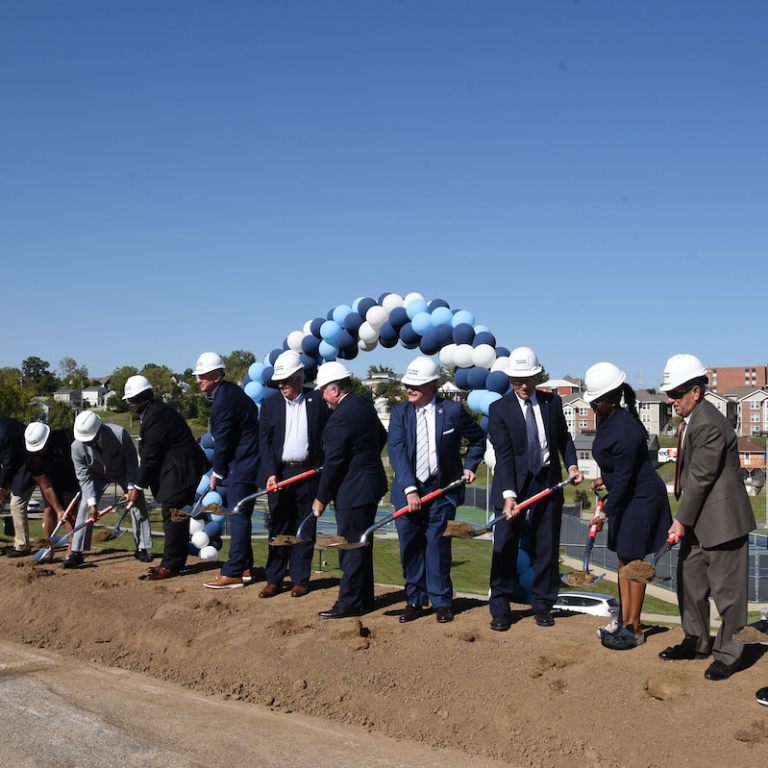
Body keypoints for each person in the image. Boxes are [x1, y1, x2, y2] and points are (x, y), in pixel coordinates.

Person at [657, 354, 756, 681]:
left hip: (723, 522)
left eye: (676, 393)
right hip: (699, 519)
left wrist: (680, 521)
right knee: (690, 582)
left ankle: (730, 654)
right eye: (668, 393)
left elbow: (700, 477)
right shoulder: (691, 420)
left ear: (696, 391)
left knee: (729, 597)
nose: (670, 400)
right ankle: (696, 641)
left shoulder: (710, 423)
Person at [487, 346, 583, 631]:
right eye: (517, 380)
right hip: (512, 485)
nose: (523, 385)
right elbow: (503, 456)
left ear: (537, 376)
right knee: (504, 545)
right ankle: (501, 608)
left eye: (528, 379)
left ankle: (543, 604)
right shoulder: (498, 410)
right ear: (510, 379)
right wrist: (508, 495)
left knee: (546, 546)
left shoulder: (552, 403)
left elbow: (564, 440)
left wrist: (573, 466)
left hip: (547, 480)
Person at [387, 355, 485, 624]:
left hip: (442, 491)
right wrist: (409, 489)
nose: (409, 389)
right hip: (408, 492)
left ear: (433, 385)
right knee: (410, 547)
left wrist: (470, 465)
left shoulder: (452, 411)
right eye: (407, 384)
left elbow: (478, 438)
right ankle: (415, 600)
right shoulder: (399, 413)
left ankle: (442, 601)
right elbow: (396, 452)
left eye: (416, 385)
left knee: (438, 546)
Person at [582, 362, 672, 649]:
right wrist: (603, 480)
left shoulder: (625, 430)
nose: (592, 407)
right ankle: (623, 620)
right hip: (627, 494)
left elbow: (625, 479)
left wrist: (603, 514)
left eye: (595, 403)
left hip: (642, 500)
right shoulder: (611, 420)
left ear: (610, 399)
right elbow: (618, 473)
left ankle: (634, 629)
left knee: (633, 565)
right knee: (624, 562)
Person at [311, 361, 387, 618]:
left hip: (353, 489)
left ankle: (349, 602)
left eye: (323, 390)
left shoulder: (340, 418)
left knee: (351, 546)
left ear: (335, 389)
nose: (322, 396)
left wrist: (321, 498)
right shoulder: (364, 405)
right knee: (362, 542)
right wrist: (364, 460)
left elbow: (333, 463)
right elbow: (382, 436)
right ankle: (364, 597)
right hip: (370, 484)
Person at [123, 375, 209, 581]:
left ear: (143, 398)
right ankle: (175, 561)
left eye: (132, 400)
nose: (130, 404)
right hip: (180, 468)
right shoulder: (153, 412)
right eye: (129, 400)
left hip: (182, 469)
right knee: (176, 513)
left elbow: (150, 456)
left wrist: (136, 487)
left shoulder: (155, 416)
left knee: (172, 512)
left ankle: (171, 564)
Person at [258, 350, 329, 598]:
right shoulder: (269, 405)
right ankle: (274, 579)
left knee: (305, 527)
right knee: (278, 527)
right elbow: (264, 444)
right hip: (280, 475)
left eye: (286, 380)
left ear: (299, 377)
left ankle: (300, 579)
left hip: (309, 473)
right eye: (279, 381)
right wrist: (269, 473)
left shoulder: (318, 401)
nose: (281, 385)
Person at [194, 353, 261, 590]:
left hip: (242, 465)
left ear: (216, 376)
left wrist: (218, 472)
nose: (199, 380)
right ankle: (244, 567)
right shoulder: (232, 391)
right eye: (199, 376)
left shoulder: (223, 399)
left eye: (203, 376)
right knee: (240, 516)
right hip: (247, 461)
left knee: (238, 516)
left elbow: (222, 441)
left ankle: (233, 571)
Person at [71, 410, 153, 565]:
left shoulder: (119, 434)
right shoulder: (76, 447)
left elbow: (131, 461)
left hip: (122, 471)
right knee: (84, 505)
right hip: (96, 475)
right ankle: (77, 552)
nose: (88, 443)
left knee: (137, 501)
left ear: (99, 429)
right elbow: (84, 477)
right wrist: (92, 503)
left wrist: (131, 487)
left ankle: (142, 548)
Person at [24, 422, 81, 567]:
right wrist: (58, 510)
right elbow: (47, 487)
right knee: (49, 509)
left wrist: (64, 510)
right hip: (51, 481)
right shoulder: (33, 460)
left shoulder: (66, 438)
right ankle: (49, 547)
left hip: (71, 477)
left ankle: (71, 549)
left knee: (70, 512)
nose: (38, 451)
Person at [0, 417, 36, 557]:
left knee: (17, 503)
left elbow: (8, 464)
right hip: (14, 463)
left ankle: (22, 546)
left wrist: (1, 487)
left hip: (28, 465)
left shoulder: (3, 434)